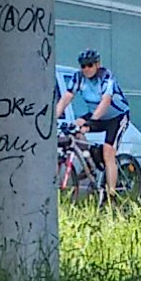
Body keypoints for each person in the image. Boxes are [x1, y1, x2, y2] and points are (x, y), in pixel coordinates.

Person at [54, 47, 130, 189]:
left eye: (90, 65)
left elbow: (105, 101)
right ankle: (90, 165)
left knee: (108, 154)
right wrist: (52, 121)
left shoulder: (106, 77)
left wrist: (91, 122)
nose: (87, 69)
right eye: (83, 66)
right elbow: (66, 99)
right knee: (75, 128)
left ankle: (111, 197)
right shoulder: (78, 77)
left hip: (116, 116)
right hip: (96, 113)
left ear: (97, 65)